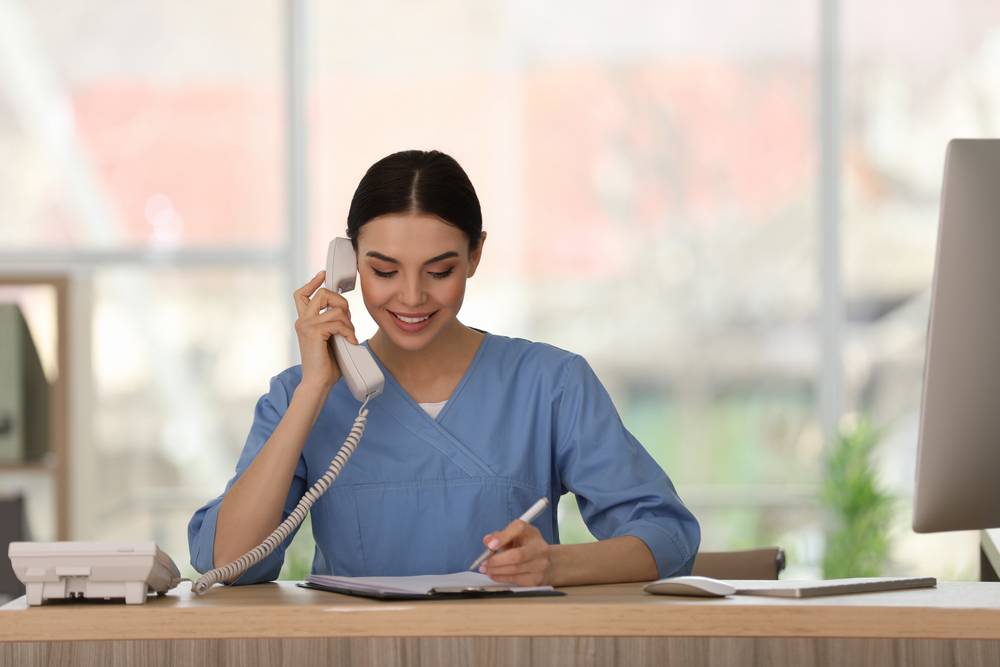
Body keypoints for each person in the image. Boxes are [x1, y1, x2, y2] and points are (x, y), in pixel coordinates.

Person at [188, 150, 700, 587]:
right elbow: (226, 563)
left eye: (440, 271)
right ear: (348, 263)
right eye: (384, 271)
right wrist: (315, 389)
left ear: (476, 255)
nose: (412, 297)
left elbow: (668, 538)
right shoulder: (301, 396)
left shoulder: (551, 384)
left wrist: (552, 564)